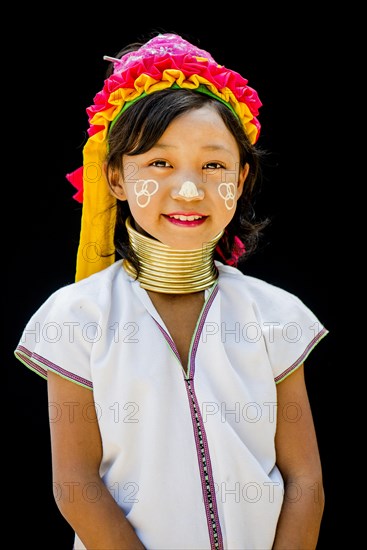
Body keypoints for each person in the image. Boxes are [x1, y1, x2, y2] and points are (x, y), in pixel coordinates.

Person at [14, 32, 328, 550]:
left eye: (214, 165)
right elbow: (76, 485)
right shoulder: (78, 316)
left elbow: (305, 482)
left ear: (242, 178)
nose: (188, 188)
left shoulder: (275, 315)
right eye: (158, 163)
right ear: (115, 177)